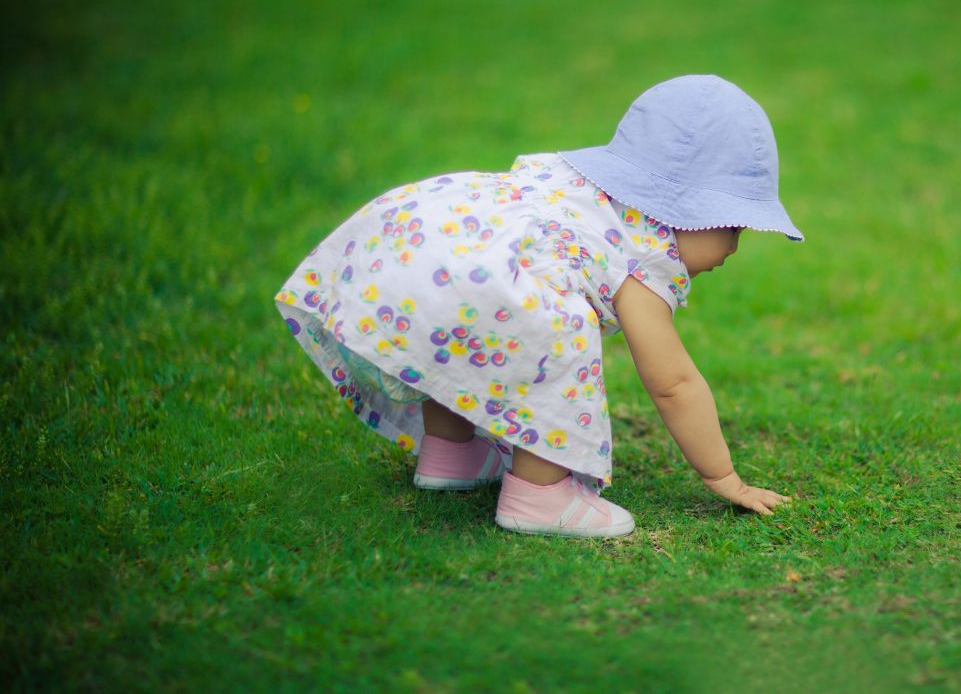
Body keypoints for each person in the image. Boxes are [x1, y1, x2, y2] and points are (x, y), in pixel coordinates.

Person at [274, 75, 801, 538]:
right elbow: (673, 383)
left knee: (471, 323)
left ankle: (451, 454)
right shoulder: (644, 255)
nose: (733, 248)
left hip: (431, 239)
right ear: (684, 214)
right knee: (555, 333)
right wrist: (723, 477)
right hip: (486, 276)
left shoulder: (581, 189)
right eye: (733, 226)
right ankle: (540, 496)